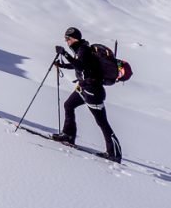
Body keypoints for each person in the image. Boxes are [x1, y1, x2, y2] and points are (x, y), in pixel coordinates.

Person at [52, 26, 123, 162]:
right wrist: (62, 65)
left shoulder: (83, 50)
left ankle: (114, 153)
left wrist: (64, 54)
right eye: (65, 39)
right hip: (84, 88)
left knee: (102, 122)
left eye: (68, 39)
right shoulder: (81, 49)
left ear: (74, 39)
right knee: (68, 105)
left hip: (93, 91)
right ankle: (68, 135)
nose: (66, 41)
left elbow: (80, 66)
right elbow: (78, 64)